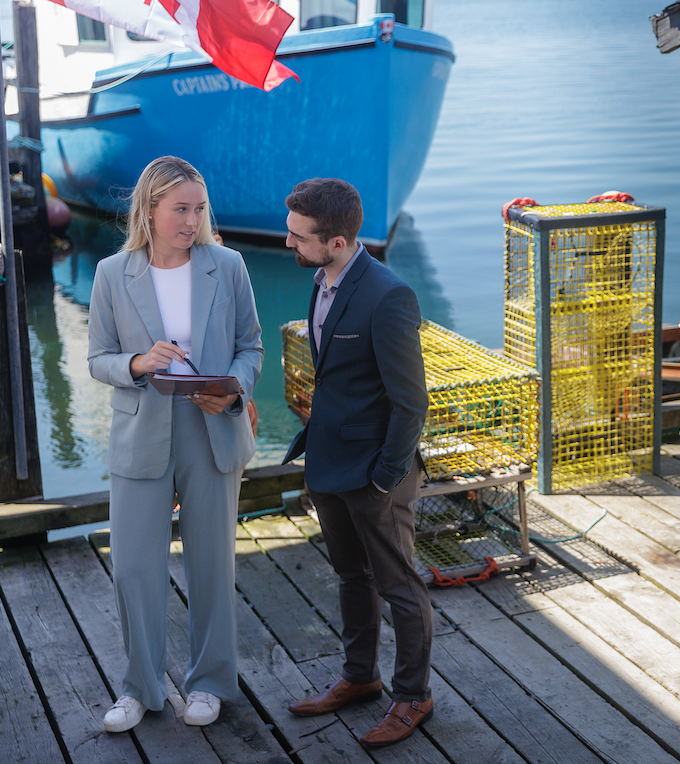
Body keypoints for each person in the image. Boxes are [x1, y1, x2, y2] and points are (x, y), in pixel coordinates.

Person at [88, 156, 263, 733]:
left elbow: (251, 346)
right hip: (142, 432)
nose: (192, 221)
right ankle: (141, 689)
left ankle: (210, 682)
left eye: (199, 209)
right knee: (134, 567)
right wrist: (139, 362)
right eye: (180, 209)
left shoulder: (229, 265)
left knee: (211, 562)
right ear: (150, 209)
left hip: (212, 428)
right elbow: (98, 359)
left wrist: (234, 389)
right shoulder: (113, 273)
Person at [281, 178, 433, 747]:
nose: (288, 244)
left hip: (375, 473)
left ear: (338, 242)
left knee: (399, 586)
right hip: (328, 462)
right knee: (351, 576)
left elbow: (410, 399)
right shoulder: (321, 279)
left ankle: (413, 695)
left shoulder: (388, 296)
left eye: (298, 237)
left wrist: (386, 474)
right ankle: (361, 677)